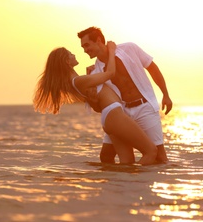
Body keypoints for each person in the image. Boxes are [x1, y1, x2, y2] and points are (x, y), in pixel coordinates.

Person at [33, 42, 158, 165]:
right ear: (67, 61)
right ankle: (140, 183)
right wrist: (112, 50)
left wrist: (90, 75)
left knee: (127, 161)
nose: (74, 54)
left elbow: (97, 100)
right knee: (151, 151)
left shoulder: (78, 80)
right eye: (71, 54)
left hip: (110, 116)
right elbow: (110, 73)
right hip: (114, 115)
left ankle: (122, 184)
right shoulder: (78, 81)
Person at [78, 27, 173, 164]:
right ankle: (121, 183)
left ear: (98, 40)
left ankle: (143, 181)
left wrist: (166, 95)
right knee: (106, 156)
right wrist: (90, 87)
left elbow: (152, 68)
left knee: (160, 157)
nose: (85, 50)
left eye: (87, 45)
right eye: (83, 47)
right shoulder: (96, 71)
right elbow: (99, 108)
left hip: (144, 107)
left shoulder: (129, 49)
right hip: (120, 114)